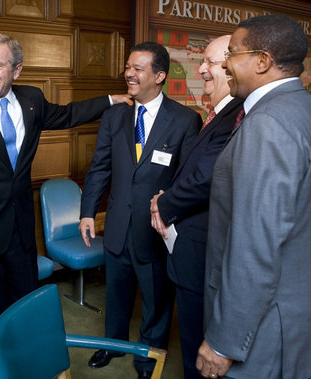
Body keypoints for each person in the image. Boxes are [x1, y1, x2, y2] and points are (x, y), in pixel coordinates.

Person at [0, 33, 132, 379]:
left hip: (18, 227)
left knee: (22, 301)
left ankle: (20, 363)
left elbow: (67, 115)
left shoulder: (32, 100)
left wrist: (111, 100)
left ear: (16, 70)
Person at [195, 14, 311, 379]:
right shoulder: (301, 108)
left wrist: (223, 342)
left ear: (262, 61)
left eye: (231, 53)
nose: (224, 64)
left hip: (262, 331)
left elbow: (255, 245)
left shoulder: (267, 124)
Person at [79, 41, 201, 379]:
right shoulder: (115, 115)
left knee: (156, 301)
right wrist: (87, 211)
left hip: (154, 230)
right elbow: (100, 167)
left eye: (137, 69)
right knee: (116, 294)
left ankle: (149, 358)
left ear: (159, 75)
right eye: (128, 67)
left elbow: (186, 179)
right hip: (118, 225)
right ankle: (112, 345)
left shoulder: (185, 120)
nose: (128, 74)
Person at [149, 35, 243, 378]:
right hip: (190, 253)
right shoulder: (217, 114)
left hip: (204, 256)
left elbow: (206, 178)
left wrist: (162, 205)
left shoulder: (237, 116)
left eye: (210, 62)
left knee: (199, 355)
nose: (201, 68)